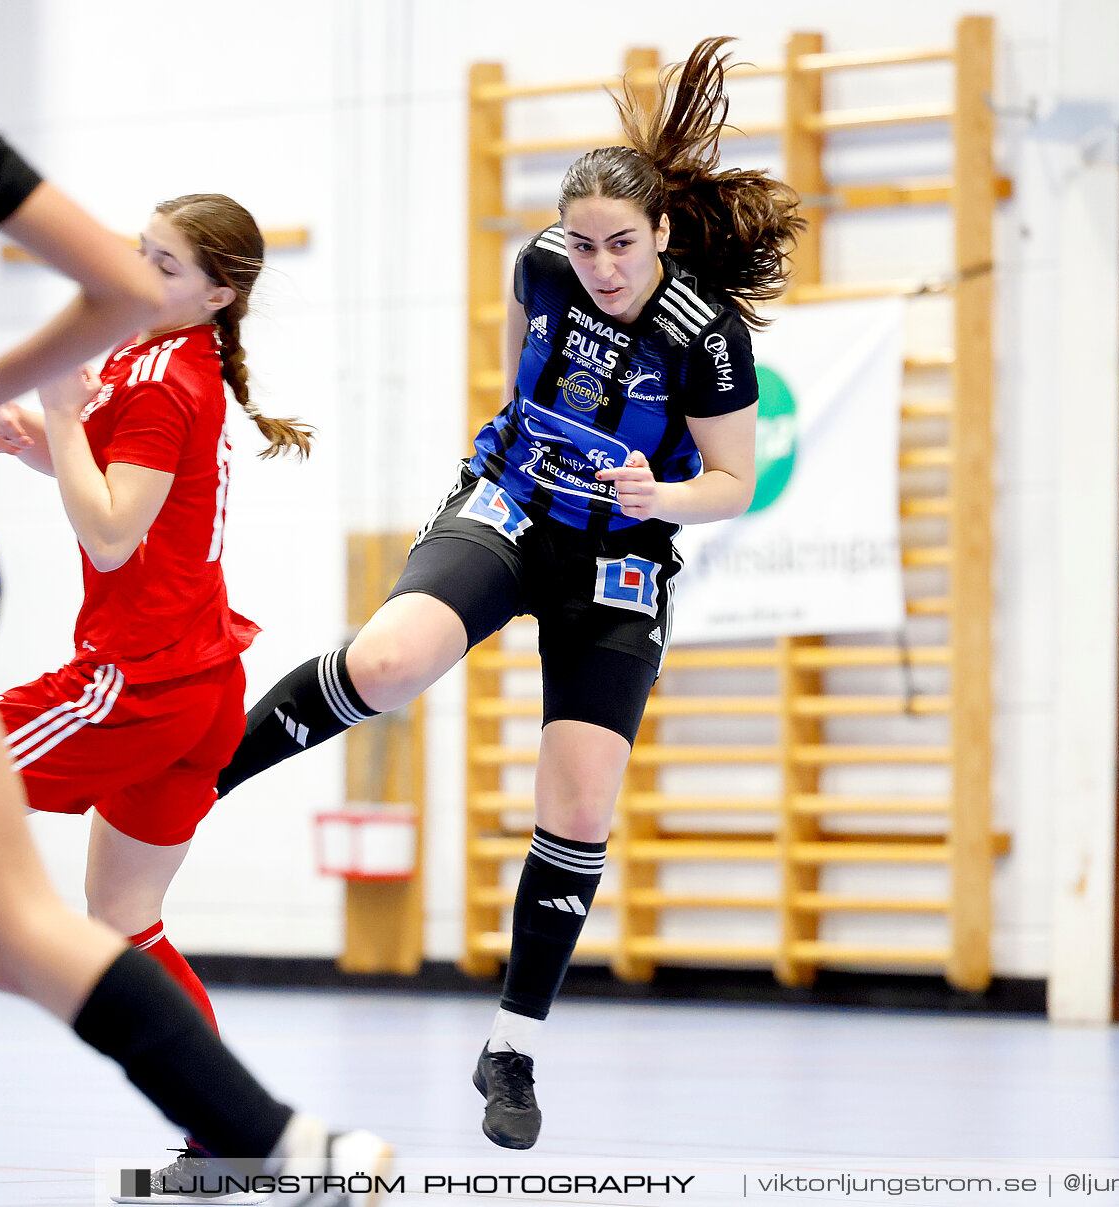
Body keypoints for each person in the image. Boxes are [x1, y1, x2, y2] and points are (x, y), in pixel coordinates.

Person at [0, 4, 389, 1203]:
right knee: (122, 917)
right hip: (191, 677)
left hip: (137, 677)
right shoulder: (145, 360)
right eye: (144, 252)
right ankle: (244, 1143)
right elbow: (110, 493)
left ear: (216, 298)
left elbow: (112, 532)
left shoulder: (168, 381)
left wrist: (55, 419)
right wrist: (34, 434)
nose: (144, 273)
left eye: (168, 266)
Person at [212, 36, 802, 1150]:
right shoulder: (539, 266)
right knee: (389, 662)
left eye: (622, 245)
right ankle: (205, 776)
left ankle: (513, 1046)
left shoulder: (707, 340)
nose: (601, 266)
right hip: (514, 505)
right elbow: (520, 369)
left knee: (580, 804)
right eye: (583, 245)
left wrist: (659, 493)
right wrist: (528, 458)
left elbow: (732, 484)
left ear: (662, 233)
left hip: (623, 551)